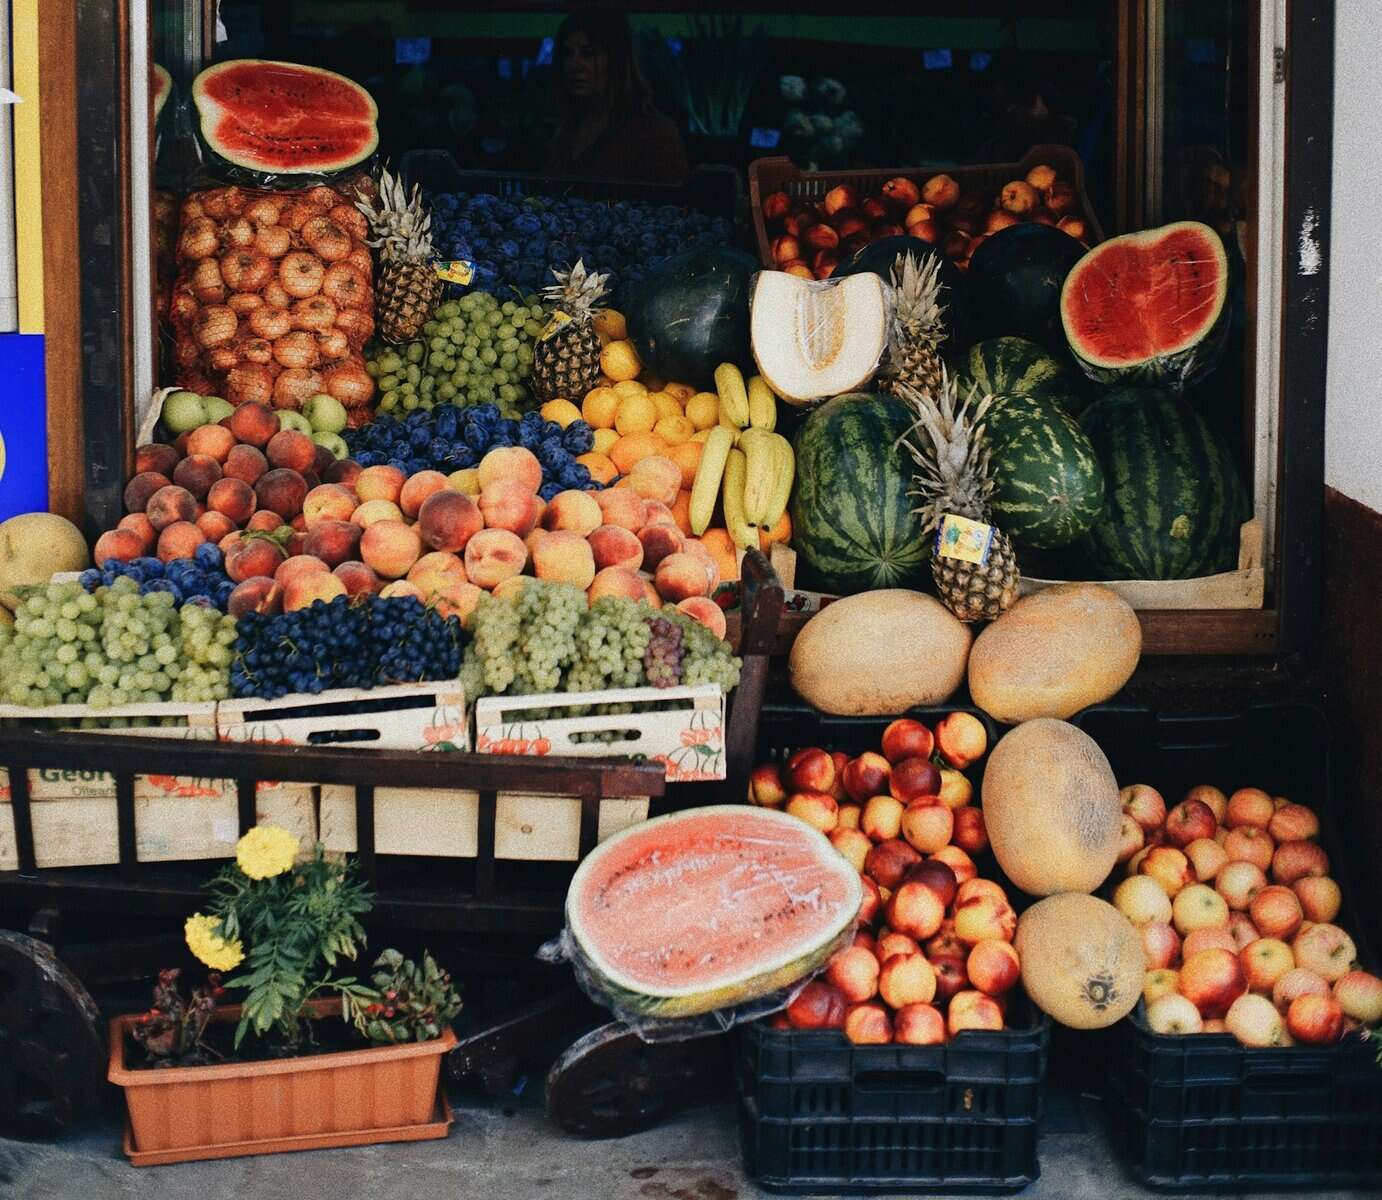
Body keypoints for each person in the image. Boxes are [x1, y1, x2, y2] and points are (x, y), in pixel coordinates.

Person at [543, 10, 689, 183]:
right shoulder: (566, 130)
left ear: (617, 60)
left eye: (588, 53)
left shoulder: (655, 134)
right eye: (567, 53)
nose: (574, 65)